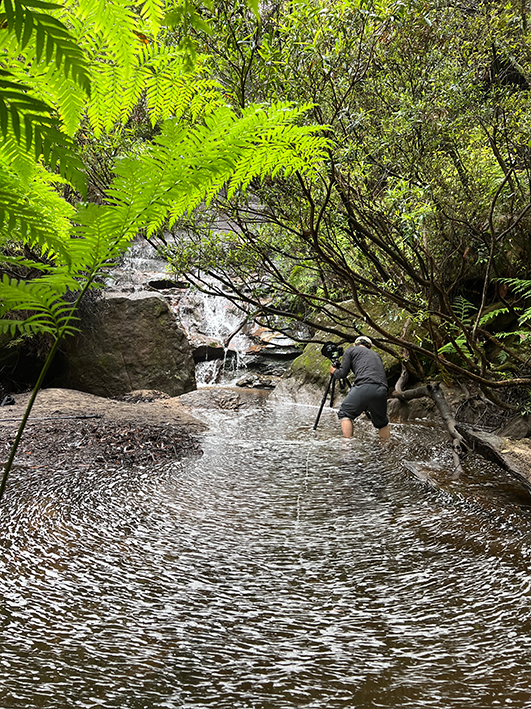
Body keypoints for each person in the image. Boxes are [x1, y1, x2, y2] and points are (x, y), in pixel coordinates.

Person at [329, 335, 390, 441]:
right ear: (369, 347)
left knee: (344, 413)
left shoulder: (351, 350)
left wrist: (334, 371)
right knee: (382, 423)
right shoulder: (376, 355)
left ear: (355, 344)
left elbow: (342, 373)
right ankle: (386, 446)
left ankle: (347, 446)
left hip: (364, 386)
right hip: (382, 389)